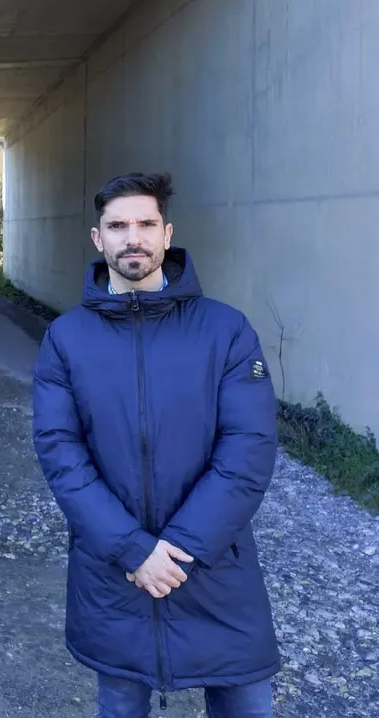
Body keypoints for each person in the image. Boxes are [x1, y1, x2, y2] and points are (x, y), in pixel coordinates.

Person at [31, 172, 280, 717]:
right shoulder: (66, 338)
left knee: (245, 701)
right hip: (116, 575)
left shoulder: (227, 330)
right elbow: (60, 452)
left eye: (145, 224)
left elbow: (249, 448)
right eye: (117, 226)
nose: (132, 237)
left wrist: (179, 550)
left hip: (216, 570)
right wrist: (133, 550)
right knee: (121, 701)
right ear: (99, 240)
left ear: (167, 234)